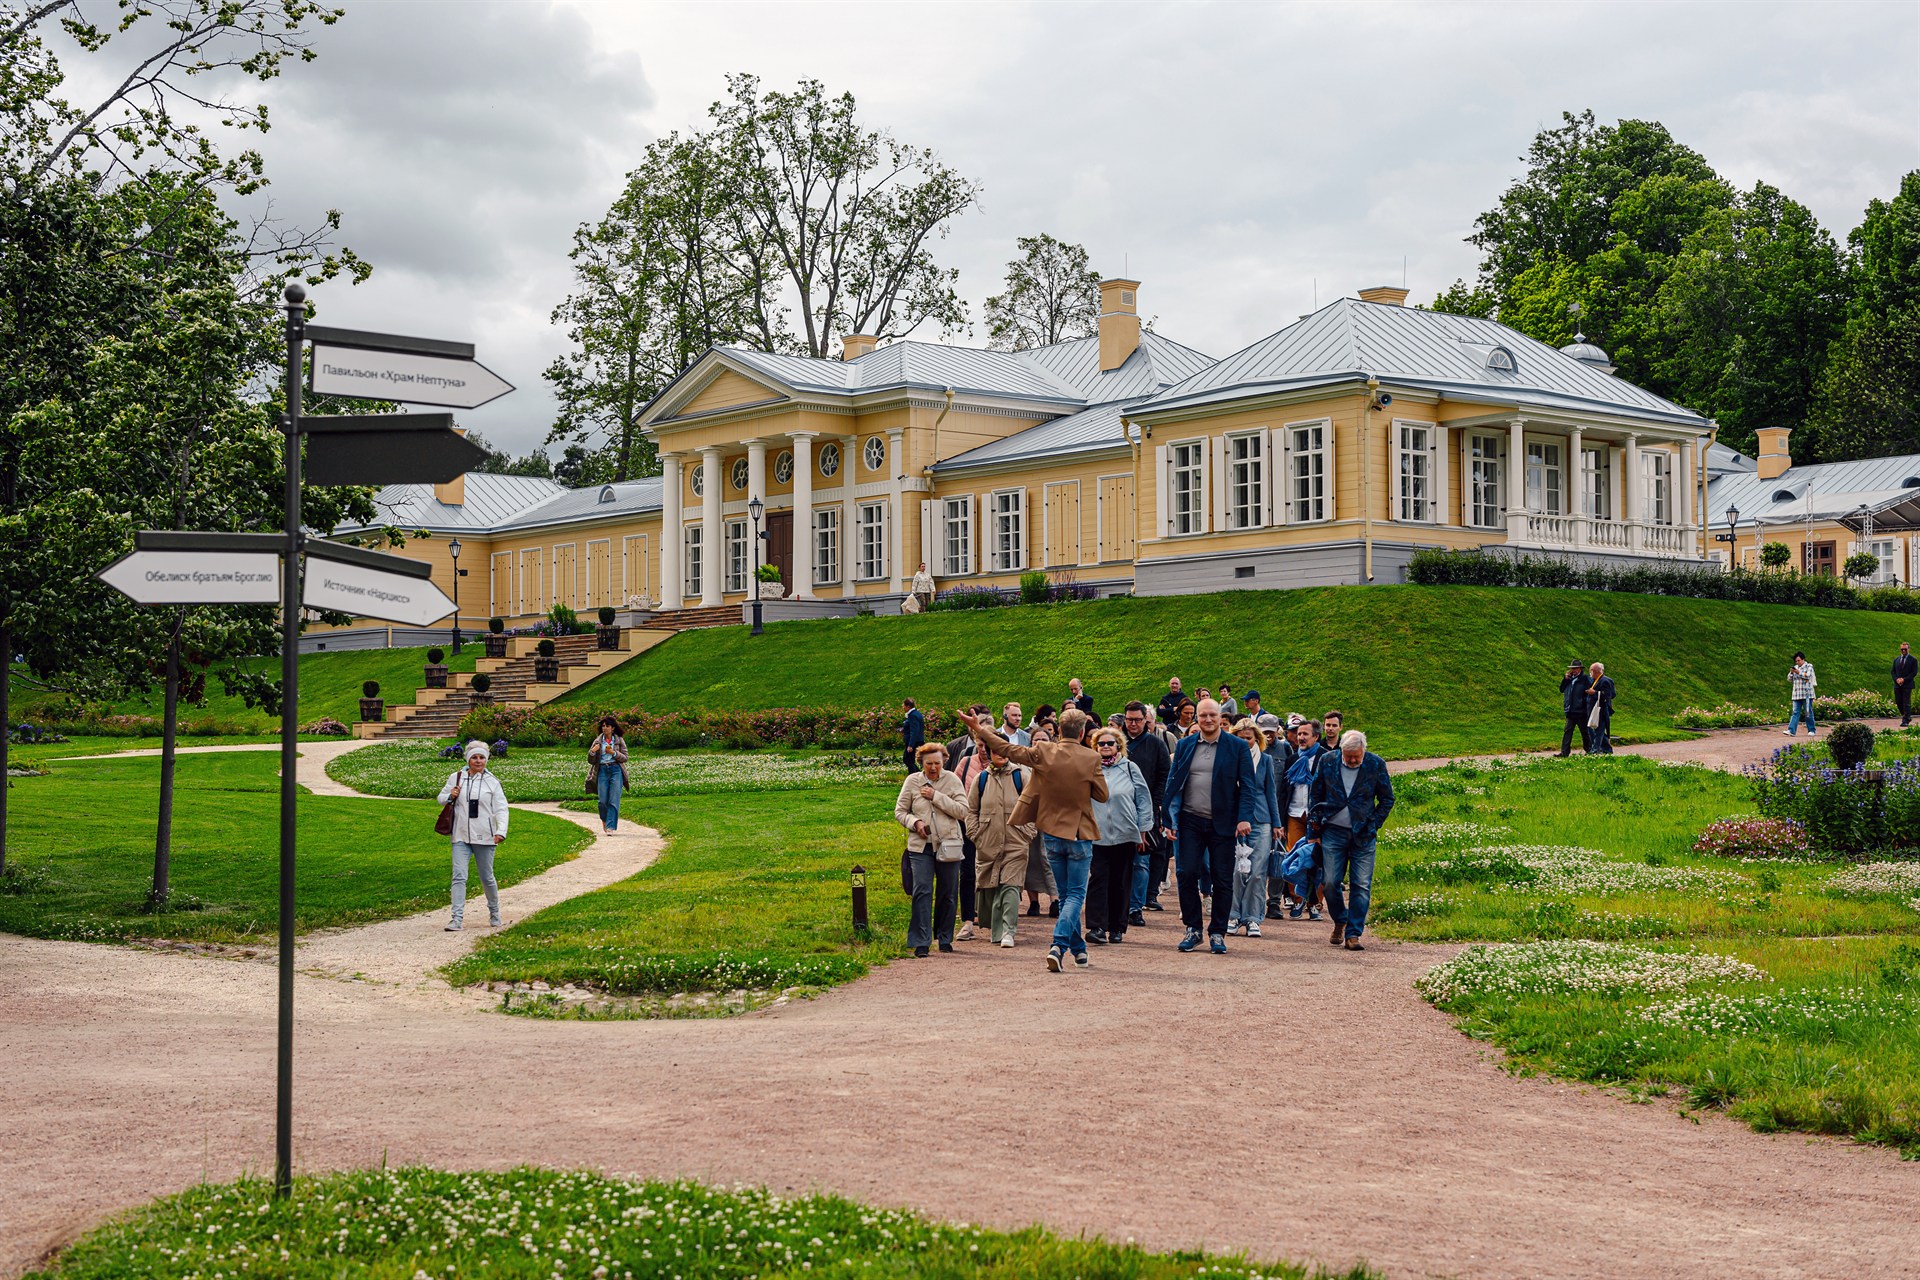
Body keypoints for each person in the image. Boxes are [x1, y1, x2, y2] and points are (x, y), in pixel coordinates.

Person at [962, 706, 1108, 973]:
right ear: (1084, 732)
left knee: (1065, 896)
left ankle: (1079, 950)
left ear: (1060, 730)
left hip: (1051, 833)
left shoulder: (1043, 751)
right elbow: (1102, 795)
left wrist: (979, 729)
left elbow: (1007, 750)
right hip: (1078, 834)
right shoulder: (1091, 758)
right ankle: (1058, 945)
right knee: (1075, 894)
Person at [1164, 698, 1256, 955]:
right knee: (1185, 872)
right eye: (1202, 715)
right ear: (1197, 718)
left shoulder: (1237, 747)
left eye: (1212, 715)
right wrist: (1168, 818)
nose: (1207, 720)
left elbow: (1248, 785)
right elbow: (1173, 783)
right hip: (1190, 819)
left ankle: (1217, 932)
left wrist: (1244, 816)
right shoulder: (1184, 745)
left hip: (1223, 822)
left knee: (1222, 878)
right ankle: (1193, 929)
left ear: (1220, 717)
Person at [1309, 729, 1395, 951]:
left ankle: (1353, 933)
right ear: (1341, 751)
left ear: (1364, 751)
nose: (1354, 760)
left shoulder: (1376, 764)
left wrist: (1374, 823)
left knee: (1361, 885)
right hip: (1333, 831)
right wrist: (1314, 832)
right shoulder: (1327, 761)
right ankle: (1340, 918)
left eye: (1357, 756)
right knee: (1329, 882)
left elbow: (1387, 798)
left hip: (1363, 834)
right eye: (1349, 757)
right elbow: (1315, 795)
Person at [893, 742, 970, 957]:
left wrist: (936, 796)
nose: (933, 767)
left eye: (937, 763)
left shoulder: (952, 780)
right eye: (928, 763)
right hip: (920, 847)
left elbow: (963, 811)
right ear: (921, 763)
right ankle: (921, 941)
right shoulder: (912, 781)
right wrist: (915, 822)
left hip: (949, 845)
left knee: (948, 892)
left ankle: (945, 938)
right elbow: (900, 811)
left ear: (944, 761)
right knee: (922, 891)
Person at [1085, 726, 1153, 945]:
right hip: (1098, 834)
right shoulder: (1089, 769)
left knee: (1121, 881)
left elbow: (1143, 799)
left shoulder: (1130, 768)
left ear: (1118, 746)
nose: (1105, 747)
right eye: (1101, 744)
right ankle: (1096, 927)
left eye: (1110, 743)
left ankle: (1116, 927)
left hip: (1126, 833)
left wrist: (1143, 829)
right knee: (1098, 879)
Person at [967, 742, 1034, 948]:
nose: (1001, 755)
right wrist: (975, 834)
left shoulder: (1020, 775)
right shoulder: (982, 778)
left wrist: (1028, 832)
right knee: (992, 885)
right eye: (996, 751)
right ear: (989, 753)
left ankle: (1008, 931)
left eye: (1004, 751)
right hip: (987, 841)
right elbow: (971, 810)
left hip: (1016, 840)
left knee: (1011, 885)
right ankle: (997, 932)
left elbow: (1035, 805)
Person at [437, 740, 509, 931]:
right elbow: (440, 798)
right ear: (468, 759)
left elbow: (501, 809)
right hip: (460, 835)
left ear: (487, 759)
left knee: (487, 877)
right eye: (474, 757)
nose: (478, 761)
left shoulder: (492, 782)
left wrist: (501, 831)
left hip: (485, 836)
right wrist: (450, 795)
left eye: (482, 757)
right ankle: (456, 919)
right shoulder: (456, 777)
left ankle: (494, 913)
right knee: (459, 876)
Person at [1226, 719, 1280, 938]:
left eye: (1249, 738)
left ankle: (1253, 918)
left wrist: (1277, 823)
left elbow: (1271, 793)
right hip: (1234, 819)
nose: (1245, 742)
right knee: (1237, 870)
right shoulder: (1228, 759)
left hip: (1261, 819)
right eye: (1241, 739)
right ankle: (1233, 915)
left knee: (1257, 872)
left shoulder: (1265, 760)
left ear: (1257, 739)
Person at [1122, 701, 1172, 922]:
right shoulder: (1115, 741)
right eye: (1129, 719)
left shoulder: (1155, 744)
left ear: (1145, 721)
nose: (1133, 724)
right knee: (1119, 860)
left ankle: (1135, 907)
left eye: (1138, 720)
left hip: (1146, 809)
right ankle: (1119, 904)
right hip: (1119, 810)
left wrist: (1157, 804)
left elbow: (1164, 775)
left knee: (1141, 860)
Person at [1282, 720, 1325, 919]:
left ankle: (1315, 903)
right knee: (1294, 857)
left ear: (1316, 737)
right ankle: (1297, 900)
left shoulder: (1325, 757)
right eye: (1299, 734)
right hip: (1294, 813)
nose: (1301, 738)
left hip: (1316, 817)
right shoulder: (1292, 759)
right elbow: (1285, 790)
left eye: (1305, 734)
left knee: (1317, 859)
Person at [587, 716, 630, 834]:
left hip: (616, 770)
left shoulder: (619, 740)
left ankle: (610, 826)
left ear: (613, 728)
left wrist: (614, 753)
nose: (604, 728)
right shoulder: (597, 741)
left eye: (607, 726)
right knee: (602, 800)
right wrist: (592, 752)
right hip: (602, 770)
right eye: (603, 726)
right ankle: (604, 820)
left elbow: (625, 758)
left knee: (613, 799)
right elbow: (591, 760)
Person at [1559, 661, 1591, 757]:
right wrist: (1565, 679)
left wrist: (1583, 703)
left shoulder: (1585, 679)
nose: (1573, 670)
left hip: (1581, 711)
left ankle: (1589, 750)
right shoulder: (1569, 679)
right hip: (1570, 710)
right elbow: (1561, 689)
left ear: (1580, 669)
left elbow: (1590, 691)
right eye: (1572, 668)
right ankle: (1564, 752)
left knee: (1585, 732)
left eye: (1575, 668)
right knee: (1567, 731)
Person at [1786, 651, 1818, 737]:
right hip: (1797, 694)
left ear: (1803, 659)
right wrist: (1791, 672)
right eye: (1796, 661)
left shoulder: (1809, 666)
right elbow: (1789, 679)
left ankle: (1811, 730)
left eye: (1799, 660)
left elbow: (1807, 675)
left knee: (1808, 712)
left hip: (1807, 693)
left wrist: (1798, 672)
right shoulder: (1795, 668)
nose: (1797, 662)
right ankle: (1791, 730)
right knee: (1795, 712)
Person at [1585, 664, 1615, 754]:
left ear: (1595, 671)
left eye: (1591, 670)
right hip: (1594, 709)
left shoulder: (1605, 680)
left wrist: (1594, 693)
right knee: (1597, 730)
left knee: (1599, 730)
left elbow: (1609, 695)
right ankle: (1607, 749)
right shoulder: (1595, 680)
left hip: (1600, 710)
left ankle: (1595, 750)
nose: (1590, 673)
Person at [1896, 642, 1917, 727]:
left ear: (1909, 649)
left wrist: (1904, 679)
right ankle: (1907, 716)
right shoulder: (1897, 660)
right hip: (1897, 684)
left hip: (1907, 684)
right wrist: (1896, 679)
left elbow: (1914, 672)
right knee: (1898, 702)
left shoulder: (1913, 660)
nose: (1903, 651)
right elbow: (1893, 671)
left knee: (1906, 702)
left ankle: (1905, 720)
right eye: (1902, 649)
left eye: (1905, 649)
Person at [901, 697, 924, 773]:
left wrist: (911, 745)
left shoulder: (912, 715)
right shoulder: (916, 714)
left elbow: (914, 730)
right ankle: (917, 774)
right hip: (917, 740)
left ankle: (915, 776)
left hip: (913, 742)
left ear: (908, 706)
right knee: (908, 759)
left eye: (903, 706)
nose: (903, 707)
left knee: (908, 759)